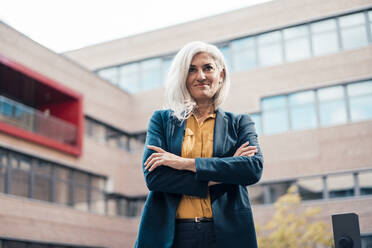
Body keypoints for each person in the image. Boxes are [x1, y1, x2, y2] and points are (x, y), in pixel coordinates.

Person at [134, 41, 263, 248]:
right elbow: (155, 177)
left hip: (227, 235)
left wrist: (183, 163)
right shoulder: (162, 120)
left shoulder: (240, 123)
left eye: (208, 68)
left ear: (220, 76)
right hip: (173, 235)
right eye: (192, 69)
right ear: (183, 78)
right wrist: (227, 170)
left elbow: (252, 170)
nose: (200, 76)